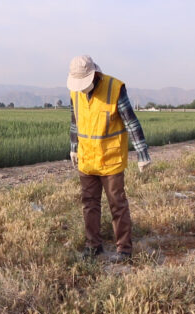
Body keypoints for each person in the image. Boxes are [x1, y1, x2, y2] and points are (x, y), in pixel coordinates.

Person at [67, 55, 151, 263]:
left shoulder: (115, 89)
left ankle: (124, 249)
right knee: (89, 203)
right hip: (86, 158)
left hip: (110, 159)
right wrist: (73, 148)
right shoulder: (75, 92)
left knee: (117, 204)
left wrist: (142, 154)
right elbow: (74, 121)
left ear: (95, 74)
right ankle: (93, 246)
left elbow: (131, 122)